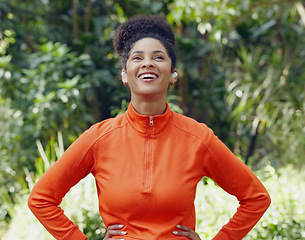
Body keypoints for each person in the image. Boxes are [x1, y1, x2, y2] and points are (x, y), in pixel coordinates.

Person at [28, 15, 271, 240]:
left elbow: (256, 199)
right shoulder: (98, 138)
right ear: (125, 75)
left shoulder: (198, 138)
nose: (147, 64)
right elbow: (41, 199)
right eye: (137, 58)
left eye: (158, 57)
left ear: (173, 74)